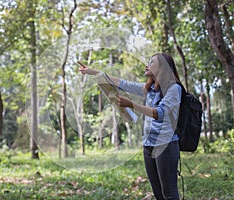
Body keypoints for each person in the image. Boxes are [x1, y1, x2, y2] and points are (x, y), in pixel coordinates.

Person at [78, 53, 182, 200]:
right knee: (158, 194)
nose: (147, 65)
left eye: (151, 62)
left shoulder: (174, 89)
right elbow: (121, 83)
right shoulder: (149, 88)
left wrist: (132, 104)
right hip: (149, 145)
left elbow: (159, 113)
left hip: (165, 145)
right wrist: (92, 71)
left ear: (163, 68)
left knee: (169, 194)